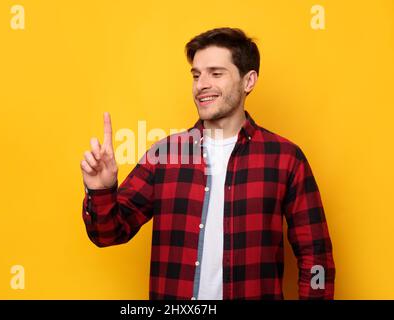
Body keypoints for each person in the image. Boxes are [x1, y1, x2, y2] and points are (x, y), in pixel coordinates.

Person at [80, 27, 335, 300]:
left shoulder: (285, 158)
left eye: (216, 73)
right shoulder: (165, 155)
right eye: (196, 75)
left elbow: (316, 256)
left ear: (248, 81)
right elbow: (107, 234)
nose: (201, 84)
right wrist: (101, 191)